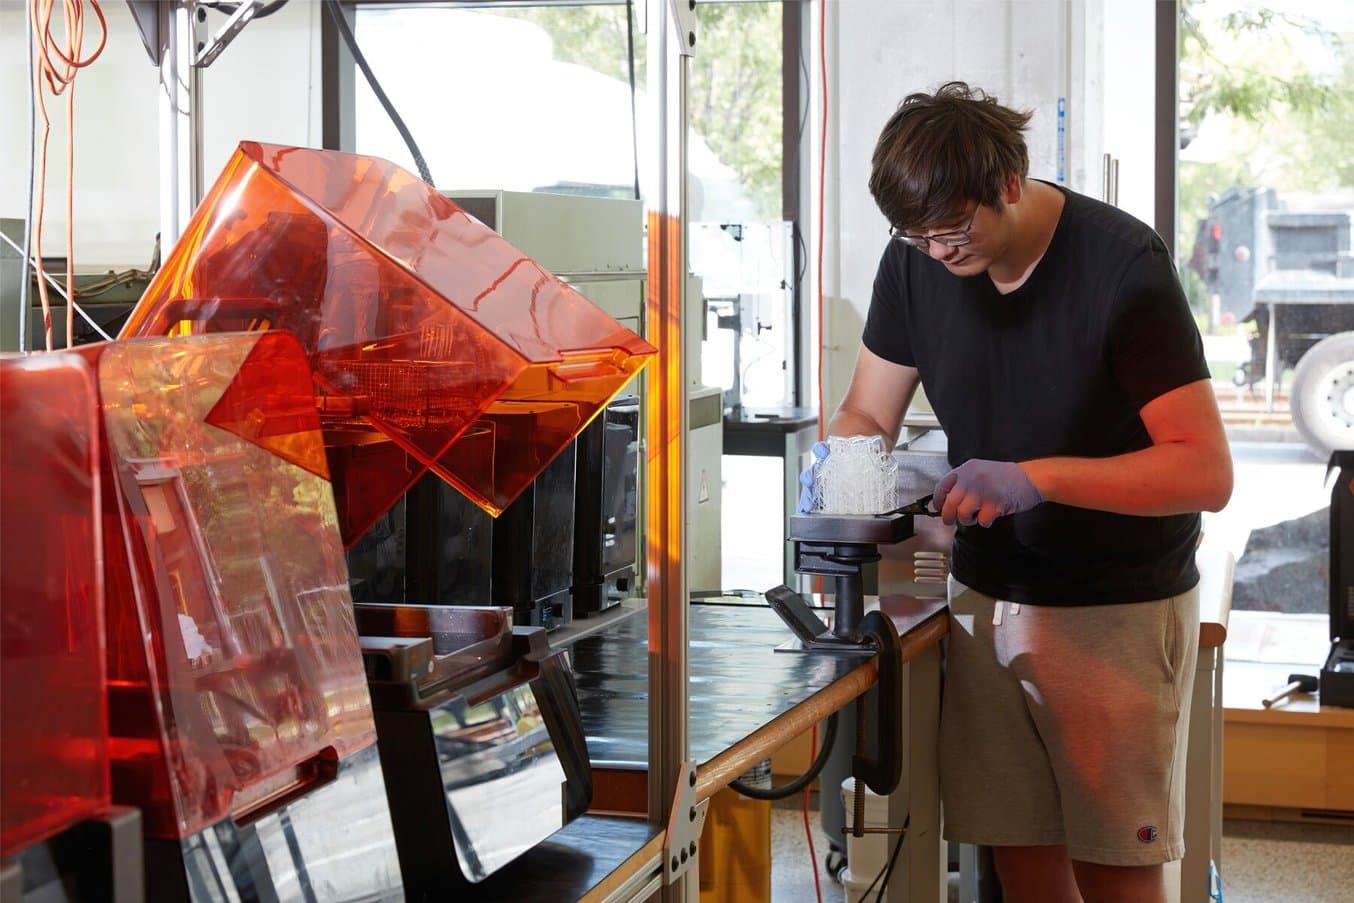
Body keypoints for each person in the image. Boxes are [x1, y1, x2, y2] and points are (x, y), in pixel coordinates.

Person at [821, 82, 1234, 902]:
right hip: (990, 600)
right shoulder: (914, 259)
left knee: (1116, 867)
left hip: (1113, 605)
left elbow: (1203, 470)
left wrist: (1036, 478)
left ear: (1008, 182)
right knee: (1020, 857)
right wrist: (845, 467)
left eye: (952, 229)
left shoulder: (1123, 269)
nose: (937, 252)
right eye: (916, 235)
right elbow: (868, 406)